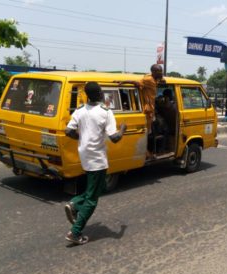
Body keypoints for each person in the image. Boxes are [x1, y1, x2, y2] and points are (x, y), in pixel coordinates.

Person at [64, 82, 127, 245]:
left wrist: (83, 139)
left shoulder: (79, 110)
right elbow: (114, 138)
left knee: (94, 188)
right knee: (93, 198)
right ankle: (75, 232)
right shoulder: (105, 112)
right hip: (98, 158)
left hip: (84, 155)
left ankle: (75, 203)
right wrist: (123, 129)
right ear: (100, 94)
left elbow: (69, 131)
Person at [117, 64, 166, 134]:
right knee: (151, 130)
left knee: (155, 124)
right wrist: (124, 82)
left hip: (152, 108)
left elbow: (162, 80)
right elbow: (136, 83)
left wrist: (161, 79)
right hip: (148, 109)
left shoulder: (155, 78)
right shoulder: (148, 79)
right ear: (153, 72)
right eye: (159, 71)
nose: (161, 73)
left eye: (161, 71)